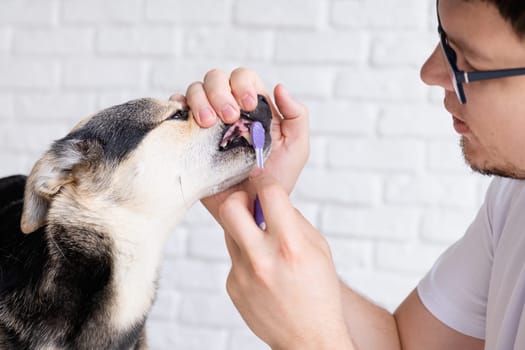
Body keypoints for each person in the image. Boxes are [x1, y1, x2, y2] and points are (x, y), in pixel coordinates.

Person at [170, 0, 525, 348]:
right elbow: (402, 344)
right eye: (445, 40)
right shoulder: (512, 198)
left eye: (466, 62)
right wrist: (259, 209)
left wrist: (309, 341)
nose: (429, 73)